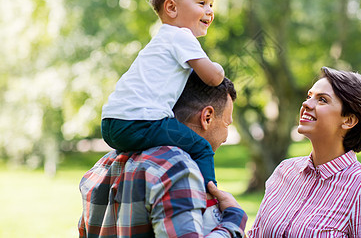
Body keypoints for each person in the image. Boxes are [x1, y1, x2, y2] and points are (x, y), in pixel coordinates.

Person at [79, 72, 248, 237]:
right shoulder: (177, 168)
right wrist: (233, 220)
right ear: (207, 117)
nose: (226, 138)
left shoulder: (102, 167)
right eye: (227, 123)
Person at [101, 0, 224, 189]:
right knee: (202, 147)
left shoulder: (161, 40)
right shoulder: (181, 36)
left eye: (211, 5)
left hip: (112, 121)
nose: (209, 11)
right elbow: (213, 78)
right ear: (171, 8)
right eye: (202, 3)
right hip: (141, 121)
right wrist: (219, 69)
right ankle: (211, 195)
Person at [248, 67, 361, 237]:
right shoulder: (284, 171)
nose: (306, 104)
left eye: (322, 100)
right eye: (309, 96)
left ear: (349, 120)